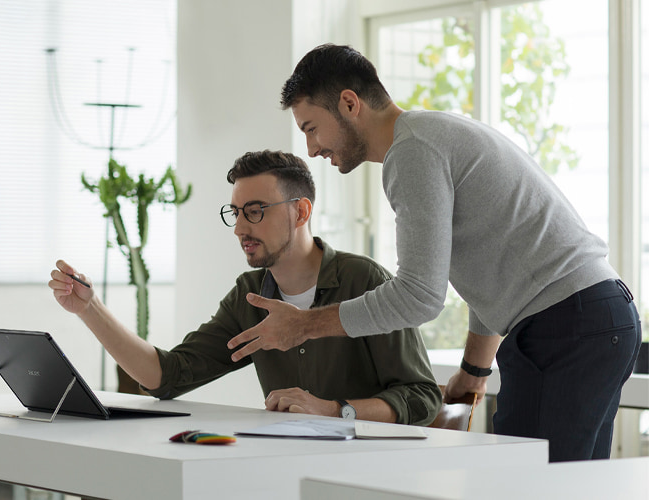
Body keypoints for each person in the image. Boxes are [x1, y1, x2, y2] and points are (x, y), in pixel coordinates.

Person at [227, 44, 642, 462]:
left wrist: (305, 326)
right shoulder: (429, 136)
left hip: (565, 325)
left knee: (529, 484)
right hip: (593, 318)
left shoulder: (412, 154)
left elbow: (419, 296)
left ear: (349, 104)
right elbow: (494, 270)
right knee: (566, 485)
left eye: (311, 128)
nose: (312, 148)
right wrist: (475, 370)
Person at [49, 150, 441, 425]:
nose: (239, 228)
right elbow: (167, 377)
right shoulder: (250, 295)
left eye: (254, 211)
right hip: (282, 467)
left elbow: (422, 397)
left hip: (369, 472)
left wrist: (333, 409)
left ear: (301, 211)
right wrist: (90, 308)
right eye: (235, 213)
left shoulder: (364, 281)